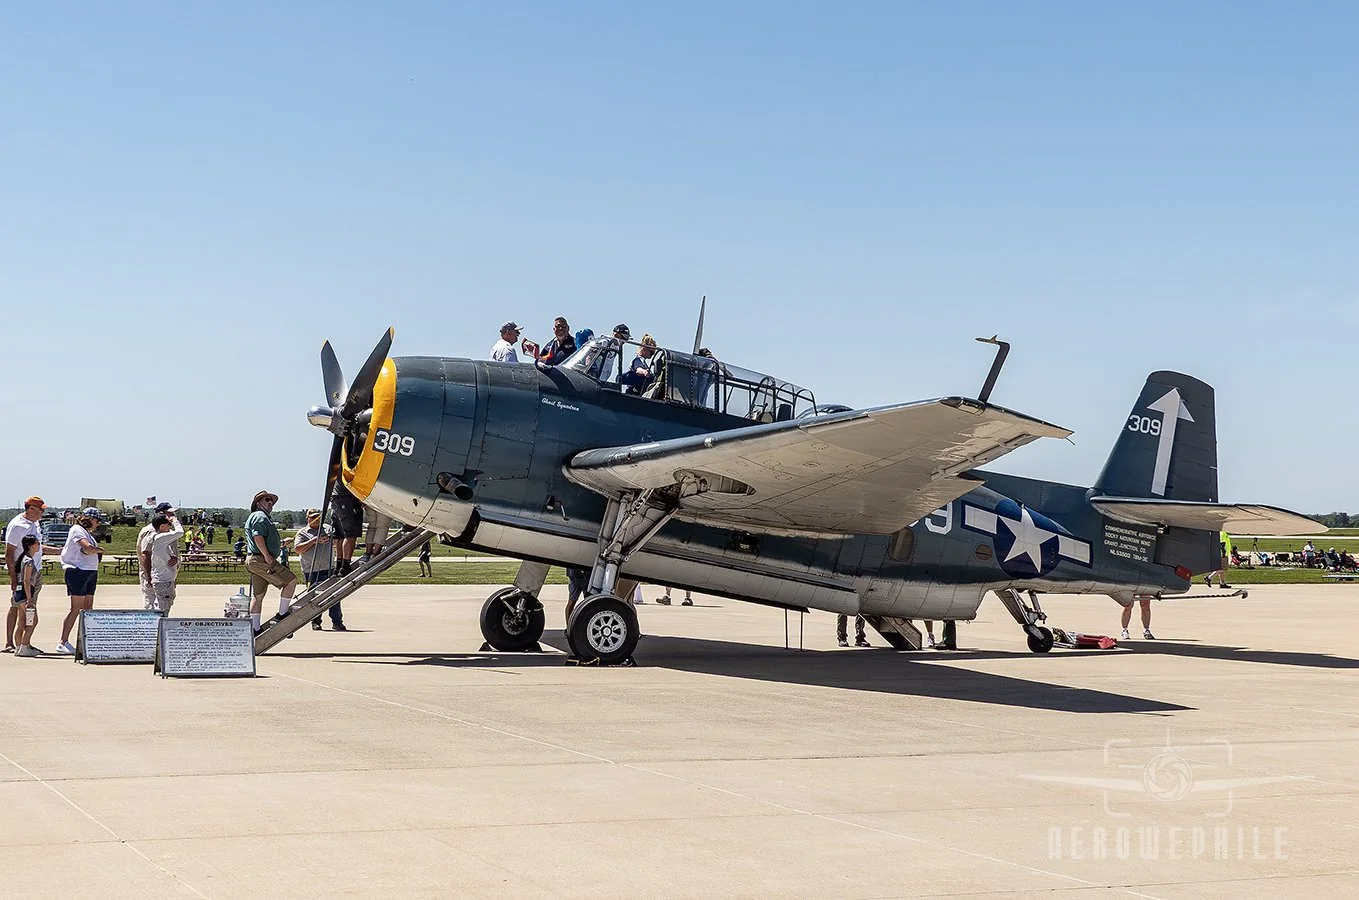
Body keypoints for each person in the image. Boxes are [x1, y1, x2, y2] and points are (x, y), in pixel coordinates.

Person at [6, 496, 57, 653]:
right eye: (41, 509)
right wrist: (14, 578)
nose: (43, 512)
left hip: (35, 570)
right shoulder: (17, 525)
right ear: (31, 509)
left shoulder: (35, 523)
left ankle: (22, 643)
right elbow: (9, 553)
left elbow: (39, 547)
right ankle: (17, 644)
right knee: (24, 608)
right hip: (23, 572)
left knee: (23, 608)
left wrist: (59, 551)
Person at [243, 490, 298, 633]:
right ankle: (282, 614)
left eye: (271, 501)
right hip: (261, 559)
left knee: (258, 595)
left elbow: (261, 539)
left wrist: (279, 544)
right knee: (290, 581)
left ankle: (255, 628)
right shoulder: (260, 516)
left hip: (255, 559)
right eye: (267, 500)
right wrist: (267, 556)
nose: (270, 503)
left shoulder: (260, 517)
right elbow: (258, 537)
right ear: (258, 503)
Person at [56, 507, 106, 654]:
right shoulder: (77, 530)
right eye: (96, 520)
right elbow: (87, 548)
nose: (97, 524)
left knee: (88, 606)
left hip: (90, 571)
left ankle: (87, 640)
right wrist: (99, 550)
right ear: (89, 519)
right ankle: (63, 641)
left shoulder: (87, 533)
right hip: (78, 571)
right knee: (76, 608)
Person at [294, 508, 343, 631]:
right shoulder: (302, 533)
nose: (316, 519)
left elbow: (338, 541)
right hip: (312, 570)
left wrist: (330, 539)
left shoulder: (327, 529)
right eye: (313, 517)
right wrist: (314, 541)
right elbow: (298, 549)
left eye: (318, 517)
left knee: (334, 596)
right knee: (314, 597)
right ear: (307, 519)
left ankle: (337, 621)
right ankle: (316, 621)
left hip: (329, 568)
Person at [142, 511, 184, 613]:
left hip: (166, 579)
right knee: (162, 609)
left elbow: (166, 556)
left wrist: (175, 559)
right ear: (162, 526)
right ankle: (158, 628)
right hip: (163, 580)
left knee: (165, 606)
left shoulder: (159, 539)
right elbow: (180, 532)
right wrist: (175, 521)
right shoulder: (160, 537)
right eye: (168, 525)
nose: (170, 527)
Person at [12, 536, 44, 656]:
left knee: (21, 622)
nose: (39, 545)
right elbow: (26, 580)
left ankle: (19, 646)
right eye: (37, 543)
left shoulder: (23, 559)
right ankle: (25, 646)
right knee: (32, 621)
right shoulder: (29, 561)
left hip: (19, 594)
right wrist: (30, 599)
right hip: (26, 593)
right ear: (31, 546)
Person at [330, 481, 364, 576]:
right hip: (346, 498)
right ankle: (345, 565)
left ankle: (339, 565)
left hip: (336, 499)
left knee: (340, 535)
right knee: (350, 534)